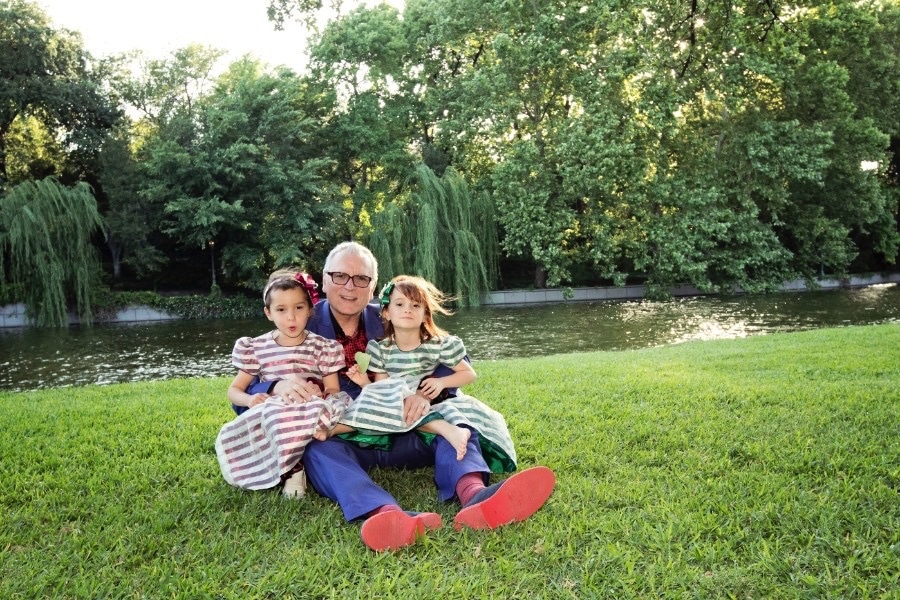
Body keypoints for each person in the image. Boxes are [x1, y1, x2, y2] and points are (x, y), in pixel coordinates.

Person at [245, 242, 556, 551]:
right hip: (351, 436)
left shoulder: (395, 312)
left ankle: (475, 496)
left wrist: (425, 392)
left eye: (361, 279)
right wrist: (275, 387)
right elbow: (244, 392)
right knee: (317, 446)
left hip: (409, 427)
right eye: (339, 276)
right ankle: (386, 514)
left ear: (374, 286)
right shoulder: (297, 320)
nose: (350, 287)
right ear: (324, 280)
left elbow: (450, 360)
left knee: (457, 422)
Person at [215, 269, 352, 498]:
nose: (291, 317)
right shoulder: (256, 348)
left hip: (310, 405)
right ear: (268, 313)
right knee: (274, 413)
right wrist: (250, 399)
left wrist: (321, 392)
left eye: (299, 308)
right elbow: (234, 390)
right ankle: (293, 469)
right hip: (277, 410)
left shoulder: (322, 347)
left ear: (310, 309)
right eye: (281, 310)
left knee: (328, 411)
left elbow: (333, 390)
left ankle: (297, 467)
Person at [330, 275, 478, 461]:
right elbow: (381, 389)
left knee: (408, 406)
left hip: (422, 401)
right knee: (386, 401)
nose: (408, 309)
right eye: (399, 304)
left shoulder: (437, 345)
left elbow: (469, 374)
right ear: (386, 313)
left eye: (415, 305)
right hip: (394, 397)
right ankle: (339, 426)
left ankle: (450, 430)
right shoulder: (379, 348)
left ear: (425, 314)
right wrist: (364, 382)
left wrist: (441, 382)